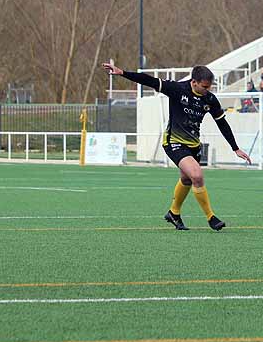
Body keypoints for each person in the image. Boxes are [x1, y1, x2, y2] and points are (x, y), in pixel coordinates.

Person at [105, 63, 251, 230]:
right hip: (174, 141)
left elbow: (222, 123)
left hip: (194, 145)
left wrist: (235, 148)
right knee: (196, 175)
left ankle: (173, 213)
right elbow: (149, 80)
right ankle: (211, 218)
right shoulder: (177, 89)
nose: (207, 90)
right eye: (204, 86)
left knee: (186, 179)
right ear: (194, 82)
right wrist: (122, 72)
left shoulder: (210, 99)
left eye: (209, 87)